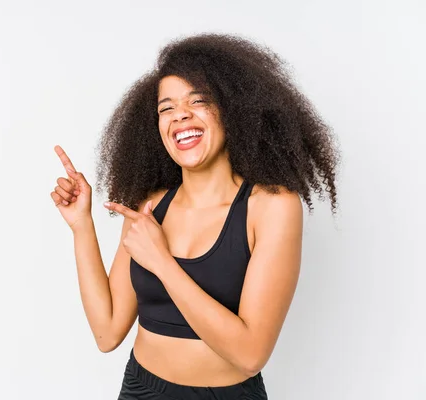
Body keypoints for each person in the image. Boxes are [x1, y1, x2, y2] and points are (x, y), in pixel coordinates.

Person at [50, 33, 339, 400]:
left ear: (233, 109)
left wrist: (162, 262)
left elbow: (251, 355)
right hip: (140, 389)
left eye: (198, 101)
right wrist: (81, 226)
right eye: (166, 108)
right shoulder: (150, 206)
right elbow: (107, 333)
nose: (180, 114)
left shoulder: (272, 206)